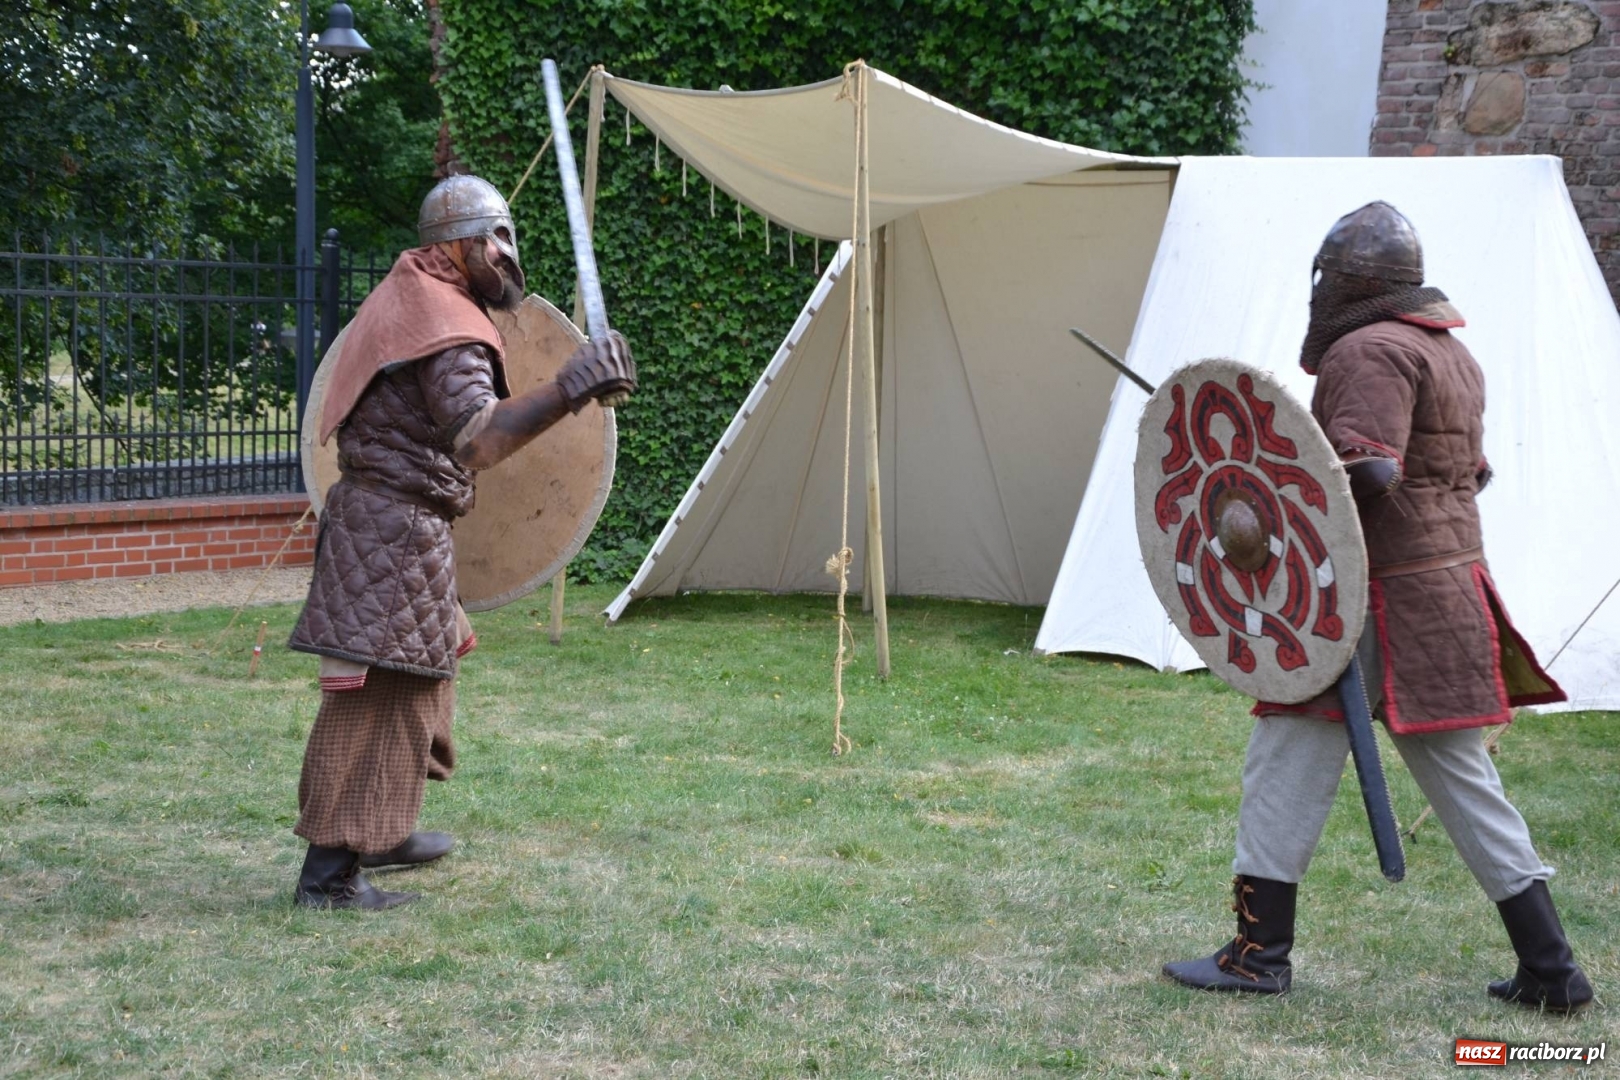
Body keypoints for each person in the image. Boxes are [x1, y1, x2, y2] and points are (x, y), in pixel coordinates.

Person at [1162, 202, 1592, 1012]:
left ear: (1346, 282)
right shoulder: (1446, 350)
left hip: (1370, 604)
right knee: (1461, 780)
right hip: (1442, 590)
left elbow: (1367, 473)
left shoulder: (1366, 350)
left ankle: (1259, 956)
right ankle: (1552, 969)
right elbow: (1471, 472)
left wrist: (1268, 509)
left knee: (1286, 758)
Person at [286, 174, 635, 909]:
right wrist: (571, 385)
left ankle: (380, 831)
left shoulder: (410, 294)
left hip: (391, 526)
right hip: (391, 530)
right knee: (371, 701)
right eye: (495, 239)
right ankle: (329, 878)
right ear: (458, 245)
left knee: (417, 690)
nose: (508, 256)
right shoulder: (446, 324)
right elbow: (477, 440)